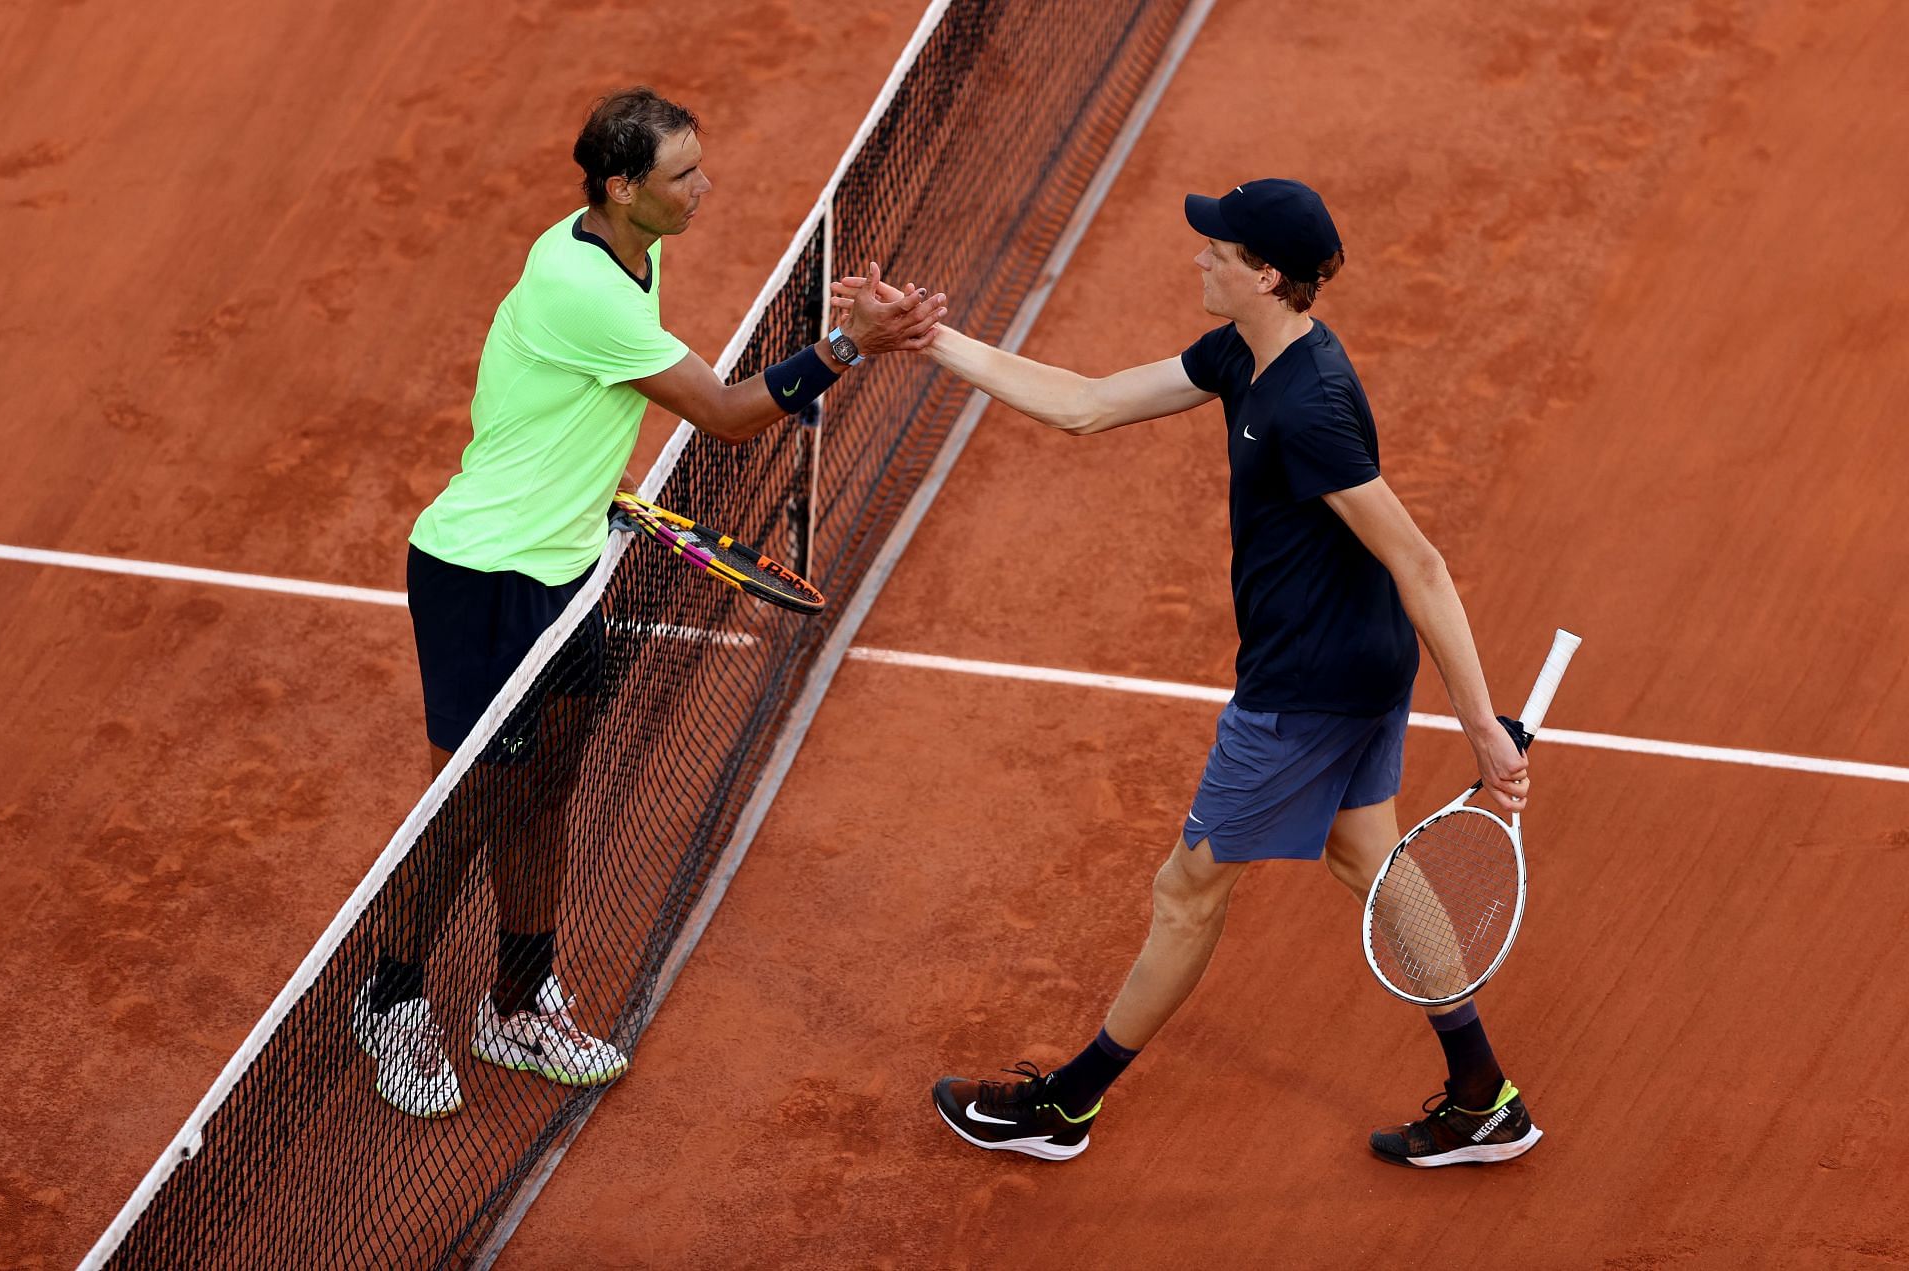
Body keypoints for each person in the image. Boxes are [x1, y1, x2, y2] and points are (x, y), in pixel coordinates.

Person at [834, 178, 1539, 1166]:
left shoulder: (1309, 404)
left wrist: (1480, 726)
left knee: (1189, 887)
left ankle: (1065, 1105)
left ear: (1265, 274)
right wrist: (921, 338)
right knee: (1364, 853)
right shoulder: (1247, 357)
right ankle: (1482, 1094)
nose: (1197, 259)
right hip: (1358, 664)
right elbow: (1084, 404)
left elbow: (1419, 560)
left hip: (1306, 688)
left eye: (1217, 249)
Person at [353, 87, 947, 1118]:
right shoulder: (577, 284)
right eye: (683, 176)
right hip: (482, 575)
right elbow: (722, 415)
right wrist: (850, 346)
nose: (703, 189)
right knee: (469, 808)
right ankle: (392, 994)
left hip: (571, 562)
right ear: (622, 187)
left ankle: (519, 996)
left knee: (547, 788)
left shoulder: (635, 244)